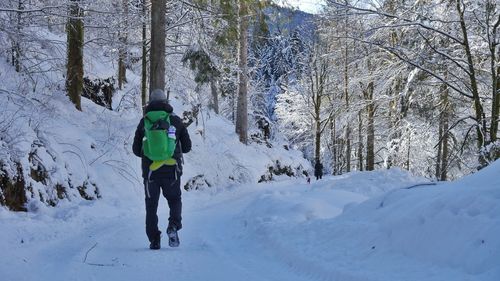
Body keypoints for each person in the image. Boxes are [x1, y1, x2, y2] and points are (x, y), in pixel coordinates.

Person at [132, 89, 192, 250]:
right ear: (166, 102)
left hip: (150, 172)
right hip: (172, 170)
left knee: (151, 206)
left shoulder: (144, 122)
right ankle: (173, 226)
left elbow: (136, 151)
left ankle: (154, 240)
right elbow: (187, 147)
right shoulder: (176, 121)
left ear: (150, 103)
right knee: (174, 200)